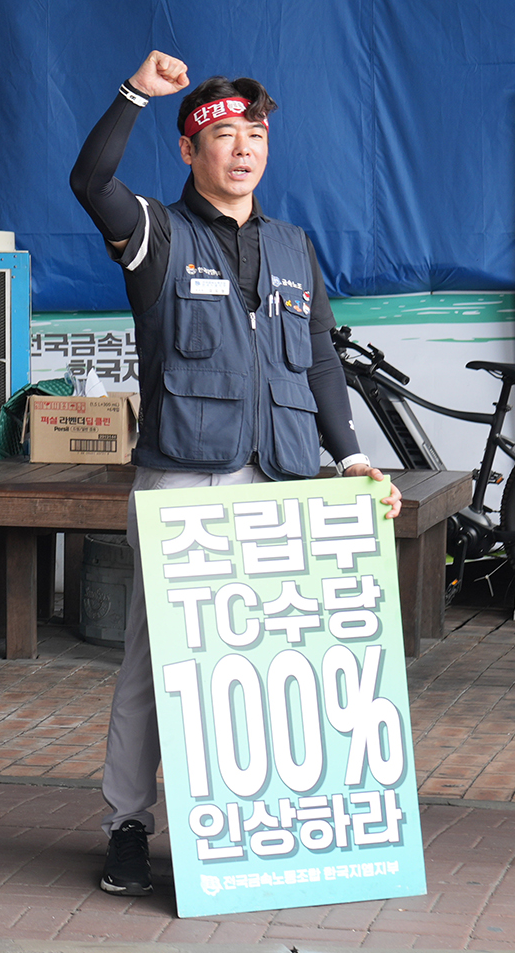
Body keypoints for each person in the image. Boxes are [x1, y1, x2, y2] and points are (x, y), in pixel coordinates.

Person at [68, 51, 403, 897]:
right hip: (185, 481)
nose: (244, 148)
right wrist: (135, 94)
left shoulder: (293, 246)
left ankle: (264, 828)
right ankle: (128, 826)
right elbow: (90, 179)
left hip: (281, 482)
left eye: (255, 135)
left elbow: (319, 360)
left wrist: (350, 455)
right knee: (156, 661)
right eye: (223, 135)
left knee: (276, 654)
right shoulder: (156, 234)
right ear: (189, 151)